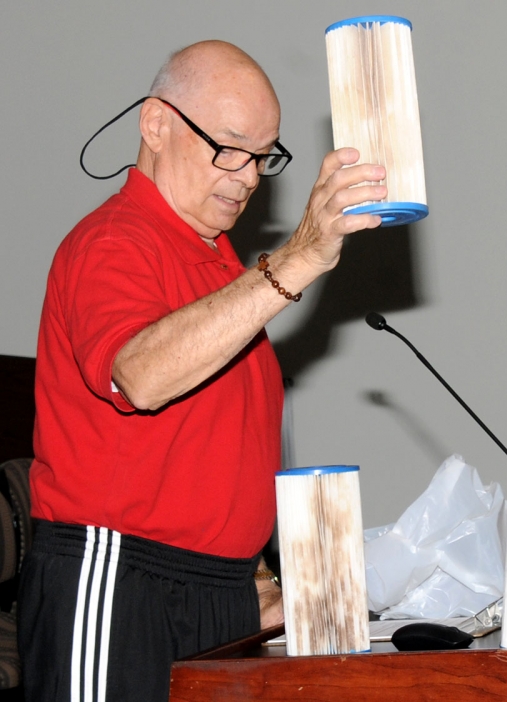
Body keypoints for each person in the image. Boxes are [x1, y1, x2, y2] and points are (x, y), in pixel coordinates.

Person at [18, 40, 386, 702]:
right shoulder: (115, 241)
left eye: (263, 156)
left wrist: (250, 569)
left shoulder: (219, 266)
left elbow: (211, 450)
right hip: (121, 576)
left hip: (215, 588)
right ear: (156, 124)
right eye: (229, 147)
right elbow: (142, 376)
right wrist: (300, 256)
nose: (247, 176)